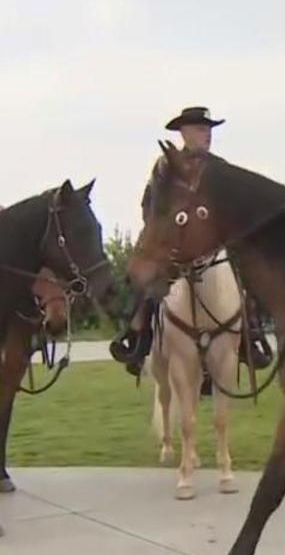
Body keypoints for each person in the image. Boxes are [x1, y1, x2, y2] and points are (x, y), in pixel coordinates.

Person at [112, 107, 273, 376]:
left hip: (213, 242)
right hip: (172, 240)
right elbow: (150, 203)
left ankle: (251, 333)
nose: (207, 135)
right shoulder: (165, 166)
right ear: (184, 133)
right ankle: (137, 336)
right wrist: (159, 229)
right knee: (150, 277)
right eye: (200, 129)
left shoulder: (219, 168)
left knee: (244, 272)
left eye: (208, 129)